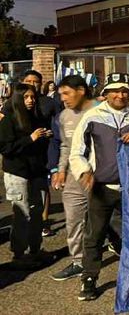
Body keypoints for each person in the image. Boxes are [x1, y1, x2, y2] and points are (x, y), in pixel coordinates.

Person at [70, 72, 129, 301]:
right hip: (102, 186)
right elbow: (76, 151)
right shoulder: (92, 116)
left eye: (124, 91)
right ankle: (89, 279)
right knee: (94, 236)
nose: (120, 95)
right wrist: (84, 171)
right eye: (115, 91)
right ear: (106, 94)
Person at [50, 75, 101, 280]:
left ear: (81, 90)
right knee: (73, 219)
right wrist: (61, 170)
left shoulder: (101, 111)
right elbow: (65, 145)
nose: (63, 98)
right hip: (74, 175)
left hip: (100, 175)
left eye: (66, 93)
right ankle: (78, 261)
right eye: (60, 94)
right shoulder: (64, 116)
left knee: (107, 219)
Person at [0, 83, 53, 268]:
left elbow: (43, 144)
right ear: (18, 99)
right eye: (26, 97)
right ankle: (19, 253)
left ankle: (35, 249)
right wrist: (30, 139)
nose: (30, 101)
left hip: (36, 172)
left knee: (37, 212)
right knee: (22, 213)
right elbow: (6, 148)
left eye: (33, 97)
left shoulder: (37, 118)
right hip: (17, 172)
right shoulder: (9, 120)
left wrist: (46, 135)